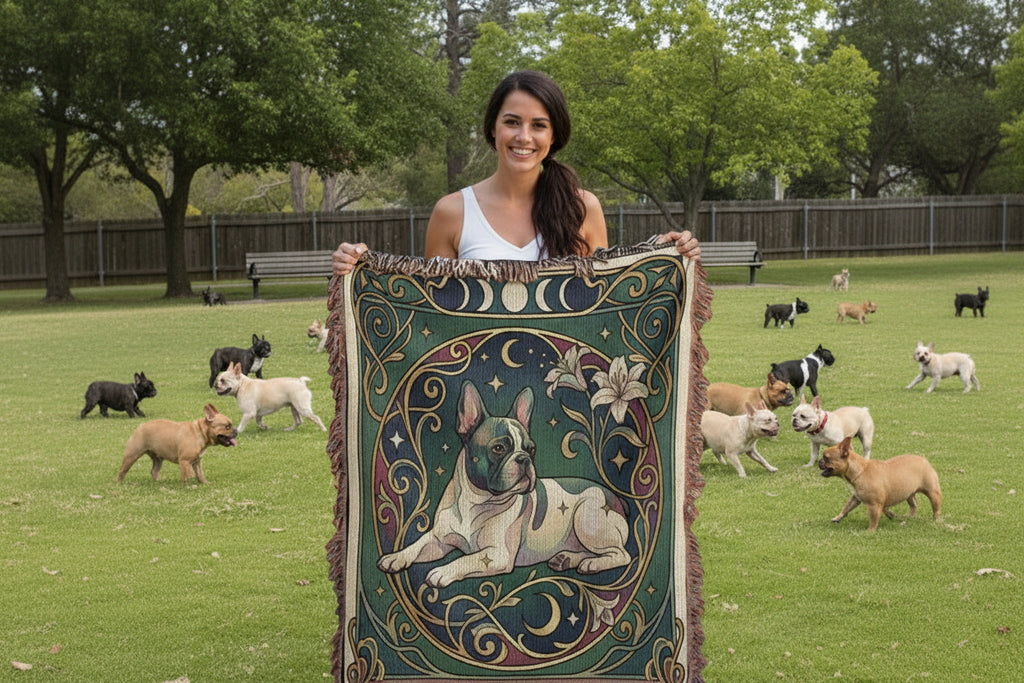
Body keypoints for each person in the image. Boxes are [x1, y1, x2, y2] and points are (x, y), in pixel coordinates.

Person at [332, 70, 699, 276]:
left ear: (554, 136)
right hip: (476, 396)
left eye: (539, 125)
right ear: (493, 128)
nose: (524, 137)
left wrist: (666, 255)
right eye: (512, 122)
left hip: (566, 397)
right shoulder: (452, 212)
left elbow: (609, 299)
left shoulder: (582, 207)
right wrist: (360, 267)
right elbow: (432, 311)